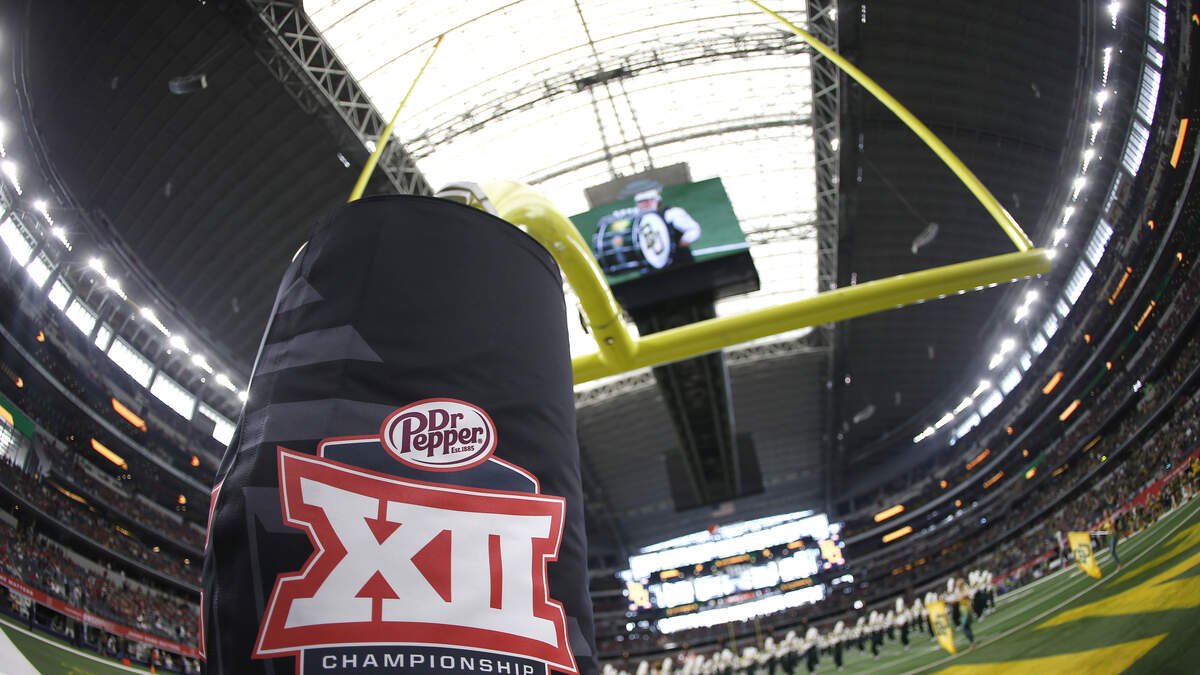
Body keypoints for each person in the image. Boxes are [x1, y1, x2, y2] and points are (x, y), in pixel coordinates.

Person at [633, 189, 702, 267]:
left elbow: (694, 229)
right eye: (640, 202)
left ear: (657, 200)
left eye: (647, 201)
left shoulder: (671, 213)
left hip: (679, 260)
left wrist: (684, 240)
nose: (644, 204)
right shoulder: (639, 221)